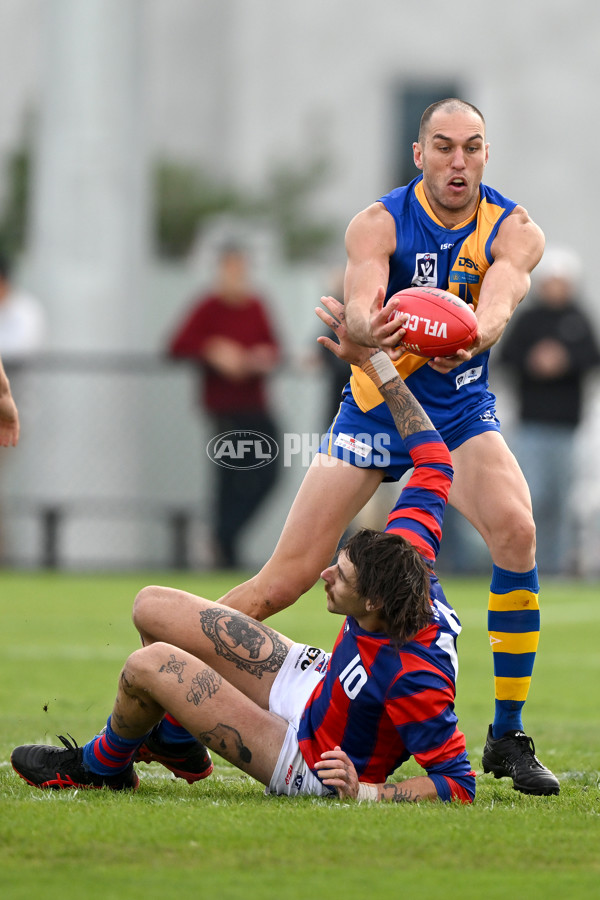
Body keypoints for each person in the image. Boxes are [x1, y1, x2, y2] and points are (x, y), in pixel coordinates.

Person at [219, 98, 560, 796]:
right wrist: (372, 330)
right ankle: (165, 704)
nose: (458, 162)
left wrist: (474, 331)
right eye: (443, 147)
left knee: (518, 530)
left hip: (459, 414)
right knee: (283, 581)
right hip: (376, 410)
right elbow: (363, 297)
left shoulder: (516, 229)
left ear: (486, 154)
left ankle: (508, 735)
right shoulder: (378, 221)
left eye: (471, 147)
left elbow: (503, 295)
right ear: (418, 154)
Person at [11, 299, 476, 804]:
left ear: (373, 607)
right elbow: (434, 458)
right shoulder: (406, 556)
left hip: (308, 756)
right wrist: (373, 361)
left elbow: (457, 783)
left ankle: (103, 766)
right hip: (319, 683)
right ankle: (175, 742)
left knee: (150, 667)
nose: (325, 574)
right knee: (152, 605)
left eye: (341, 578)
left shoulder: (417, 675)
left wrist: (369, 793)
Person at [167, 243, 281, 568]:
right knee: (228, 479)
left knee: (269, 474)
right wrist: (213, 349)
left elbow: (273, 347)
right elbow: (176, 346)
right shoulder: (208, 307)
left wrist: (258, 358)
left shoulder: (256, 305)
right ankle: (224, 549)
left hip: (256, 405)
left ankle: (224, 536)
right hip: (224, 409)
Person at [499, 247, 600, 575]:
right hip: (531, 424)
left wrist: (564, 360)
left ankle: (557, 566)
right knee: (532, 499)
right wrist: (534, 361)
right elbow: (505, 359)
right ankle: (526, 564)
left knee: (561, 500)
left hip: (568, 427)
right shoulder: (528, 320)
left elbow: (591, 358)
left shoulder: (578, 319)